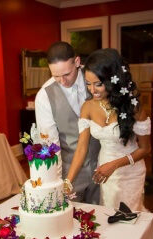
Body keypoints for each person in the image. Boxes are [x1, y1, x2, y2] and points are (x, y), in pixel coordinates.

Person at [64, 48, 151, 211]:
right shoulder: (87, 107)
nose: (92, 90)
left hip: (131, 172)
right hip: (105, 172)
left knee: (129, 217)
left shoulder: (133, 107)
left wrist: (115, 164)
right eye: (88, 83)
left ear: (113, 80)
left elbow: (146, 149)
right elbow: (81, 148)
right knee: (110, 214)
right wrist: (67, 182)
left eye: (98, 84)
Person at [35, 41, 100, 204]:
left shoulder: (97, 78)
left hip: (104, 164)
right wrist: (56, 182)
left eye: (67, 74)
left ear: (77, 62)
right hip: (71, 171)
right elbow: (51, 144)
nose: (62, 81)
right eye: (56, 76)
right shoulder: (44, 96)